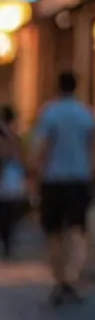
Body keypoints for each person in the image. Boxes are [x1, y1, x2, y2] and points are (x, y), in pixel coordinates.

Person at [32, 70, 95, 304]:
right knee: (78, 230)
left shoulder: (49, 113)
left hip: (54, 180)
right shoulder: (85, 114)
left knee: (54, 232)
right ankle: (71, 276)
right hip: (79, 179)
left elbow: (42, 147)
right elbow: (92, 147)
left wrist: (35, 175)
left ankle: (61, 279)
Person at [0, 104, 29, 259]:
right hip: (9, 180)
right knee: (8, 215)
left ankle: (8, 244)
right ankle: (8, 244)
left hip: (9, 180)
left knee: (7, 215)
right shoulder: (12, 135)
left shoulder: (11, 135)